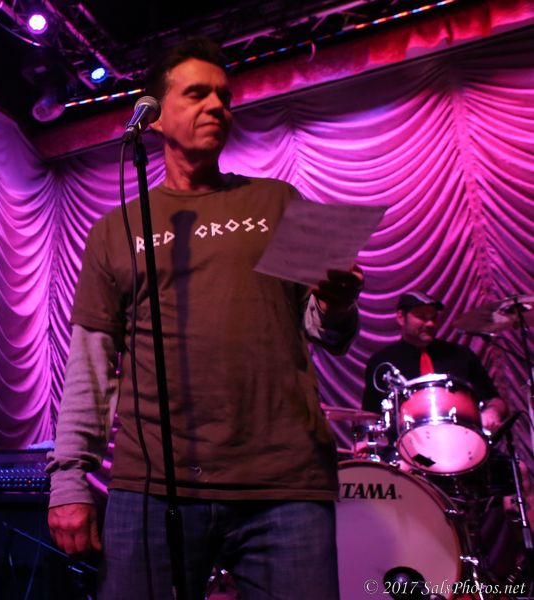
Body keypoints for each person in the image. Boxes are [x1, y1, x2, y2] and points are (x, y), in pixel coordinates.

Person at [46, 37, 364, 600]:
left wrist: (337, 305)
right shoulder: (113, 230)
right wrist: (69, 479)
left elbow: (324, 331)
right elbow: (90, 366)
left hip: (284, 483)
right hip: (152, 485)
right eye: (197, 94)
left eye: (224, 96)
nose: (218, 106)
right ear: (154, 115)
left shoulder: (280, 200)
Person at [361, 291, 508, 430]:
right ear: (401, 318)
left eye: (433, 318)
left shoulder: (461, 355)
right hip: (406, 443)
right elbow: (370, 415)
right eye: (422, 317)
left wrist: (493, 412)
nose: (431, 324)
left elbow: (495, 400)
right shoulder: (381, 362)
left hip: (461, 439)